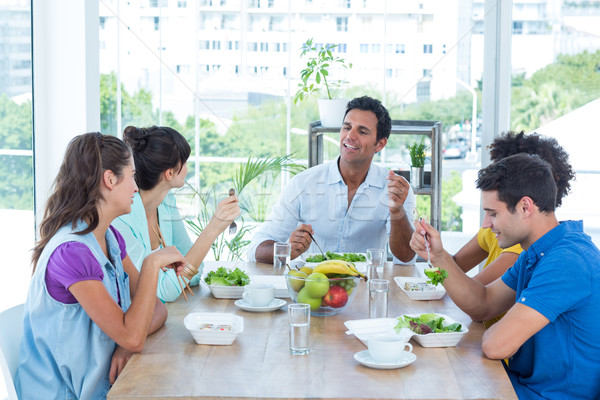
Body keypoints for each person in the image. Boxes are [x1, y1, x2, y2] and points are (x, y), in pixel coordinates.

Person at [410, 153, 600, 399]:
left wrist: (500, 329)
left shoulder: (567, 261)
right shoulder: (537, 253)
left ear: (524, 207)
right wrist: (438, 258)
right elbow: (483, 304)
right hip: (520, 386)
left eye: (493, 213)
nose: (486, 224)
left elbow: (496, 345)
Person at [15, 132, 187, 400]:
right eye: (131, 176)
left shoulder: (109, 237)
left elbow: (156, 309)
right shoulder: (71, 253)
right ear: (109, 179)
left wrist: (125, 345)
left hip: (104, 388)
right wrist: (152, 263)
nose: (135, 187)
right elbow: (134, 335)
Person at [248, 95, 416, 264]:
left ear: (380, 144)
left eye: (362, 131)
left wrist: (397, 211)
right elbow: (257, 247)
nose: (350, 136)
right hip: (313, 286)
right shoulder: (303, 183)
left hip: (365, 286)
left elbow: (406, 258)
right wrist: (287, 250)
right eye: (347, 127)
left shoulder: (396, 189)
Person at [113, 125, 240, 303]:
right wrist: (213, 228)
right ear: (170, 173)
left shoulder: (165, 201)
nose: (187, 167)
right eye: (185, 162)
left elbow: (195, 272)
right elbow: (163, 292)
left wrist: (174, 274)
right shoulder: (121, 219)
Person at [453, 132, 575, 288]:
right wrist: (435, 254)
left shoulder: (523, 246)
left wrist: (439, 260)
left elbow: (476, 297)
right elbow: (455, 270)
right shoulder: (500, 232)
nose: (486, 223)